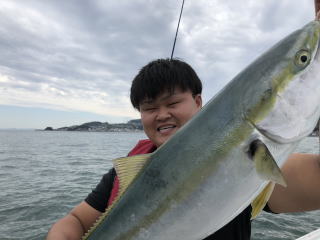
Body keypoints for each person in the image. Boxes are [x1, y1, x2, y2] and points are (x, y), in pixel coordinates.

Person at [46, 57, 320, 240]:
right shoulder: (125, 175)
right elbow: (77, 220)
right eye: (149, 108)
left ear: (198, 102)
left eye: (173, 103)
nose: (161, 114)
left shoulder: (250, 155)